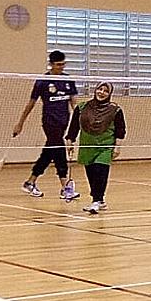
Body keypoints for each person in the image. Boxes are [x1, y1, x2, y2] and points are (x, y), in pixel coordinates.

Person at [13, 50, 79, 202]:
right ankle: (65, 187)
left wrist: (78, 122)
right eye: (58, 65)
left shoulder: (68, 80)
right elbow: (31, 103)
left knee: (49, 152)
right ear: (51, 64)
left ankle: (30, 182)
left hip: (64, 122)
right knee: (59, 150)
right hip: (49, 122)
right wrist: (20, 123)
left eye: (63, 64)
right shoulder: (42, 81)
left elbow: (74, 104)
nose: (61, 67)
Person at [65, 82, 126, 214]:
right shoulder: (82, 107)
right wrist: (70, 141)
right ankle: (99, 200)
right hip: (87, 146)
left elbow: (121, 130)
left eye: (105, 91)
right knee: (91, 174)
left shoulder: (115, 110)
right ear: (95, 90)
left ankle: (96, 201)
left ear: (109, 94)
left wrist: (117, 147)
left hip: (105, 146)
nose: (102, 92)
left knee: (100, 171)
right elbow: (74, 126)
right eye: (100, 89)